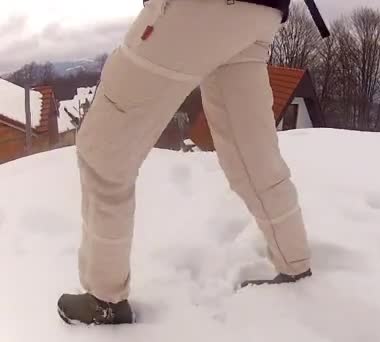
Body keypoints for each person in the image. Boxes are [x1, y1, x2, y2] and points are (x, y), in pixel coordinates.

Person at [57, 0, 314, 325]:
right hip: (262, 12)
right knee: (250, 150)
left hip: (196, 8)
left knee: (103, 148)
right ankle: (295, 263)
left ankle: (104, 298)